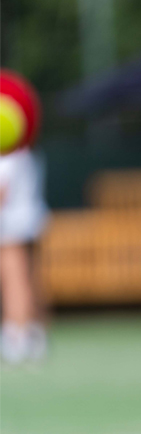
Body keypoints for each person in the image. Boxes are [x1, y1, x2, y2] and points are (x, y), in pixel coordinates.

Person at [0, 70, 49, 365]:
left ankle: (18, 336)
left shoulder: (9, 157)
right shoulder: (26, 154)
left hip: (12, 226)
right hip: (27, 220)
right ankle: (31, 332)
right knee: (27, 278)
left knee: (15, 277)